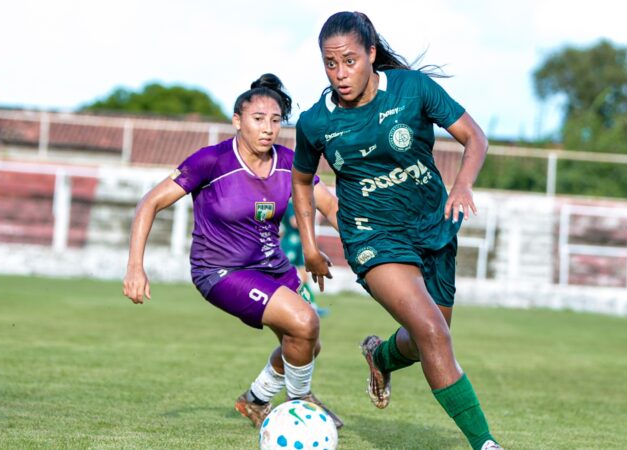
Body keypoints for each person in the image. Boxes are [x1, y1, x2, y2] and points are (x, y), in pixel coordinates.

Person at [291, 11, 501, 450]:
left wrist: (461, 184)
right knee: (431, 331)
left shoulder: (411, 90)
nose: (340, 73)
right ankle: (486, 444)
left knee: (431, 335)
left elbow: (474, 137)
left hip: (433, 226)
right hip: (372, 237)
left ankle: (380, 355)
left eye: (349, 60)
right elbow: (300, 180)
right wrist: (310, 246)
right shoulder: (316, 122)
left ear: (371, 54)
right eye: (330, 64)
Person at [123, 74, 343, 430]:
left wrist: (368, 246)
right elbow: (149, 203)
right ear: (237, 121)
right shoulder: (211, 162)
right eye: (258, 119)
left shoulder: (290, 162)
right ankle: (301, 405)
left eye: (275, 120)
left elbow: (330, 208)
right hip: (220, 272)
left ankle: (255, 400)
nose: (268, 128)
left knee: (304, 344)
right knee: (306, 322)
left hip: (272, 267)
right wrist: (135, 266)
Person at [279, 199, 329, 317]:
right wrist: (311, 218)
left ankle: (312, 306)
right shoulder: (290, 203)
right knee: (284, 275)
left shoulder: (297, 203)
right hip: (290, 244)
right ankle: (281, 303)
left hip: (299, 244)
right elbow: (294, 222)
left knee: (304, 276)